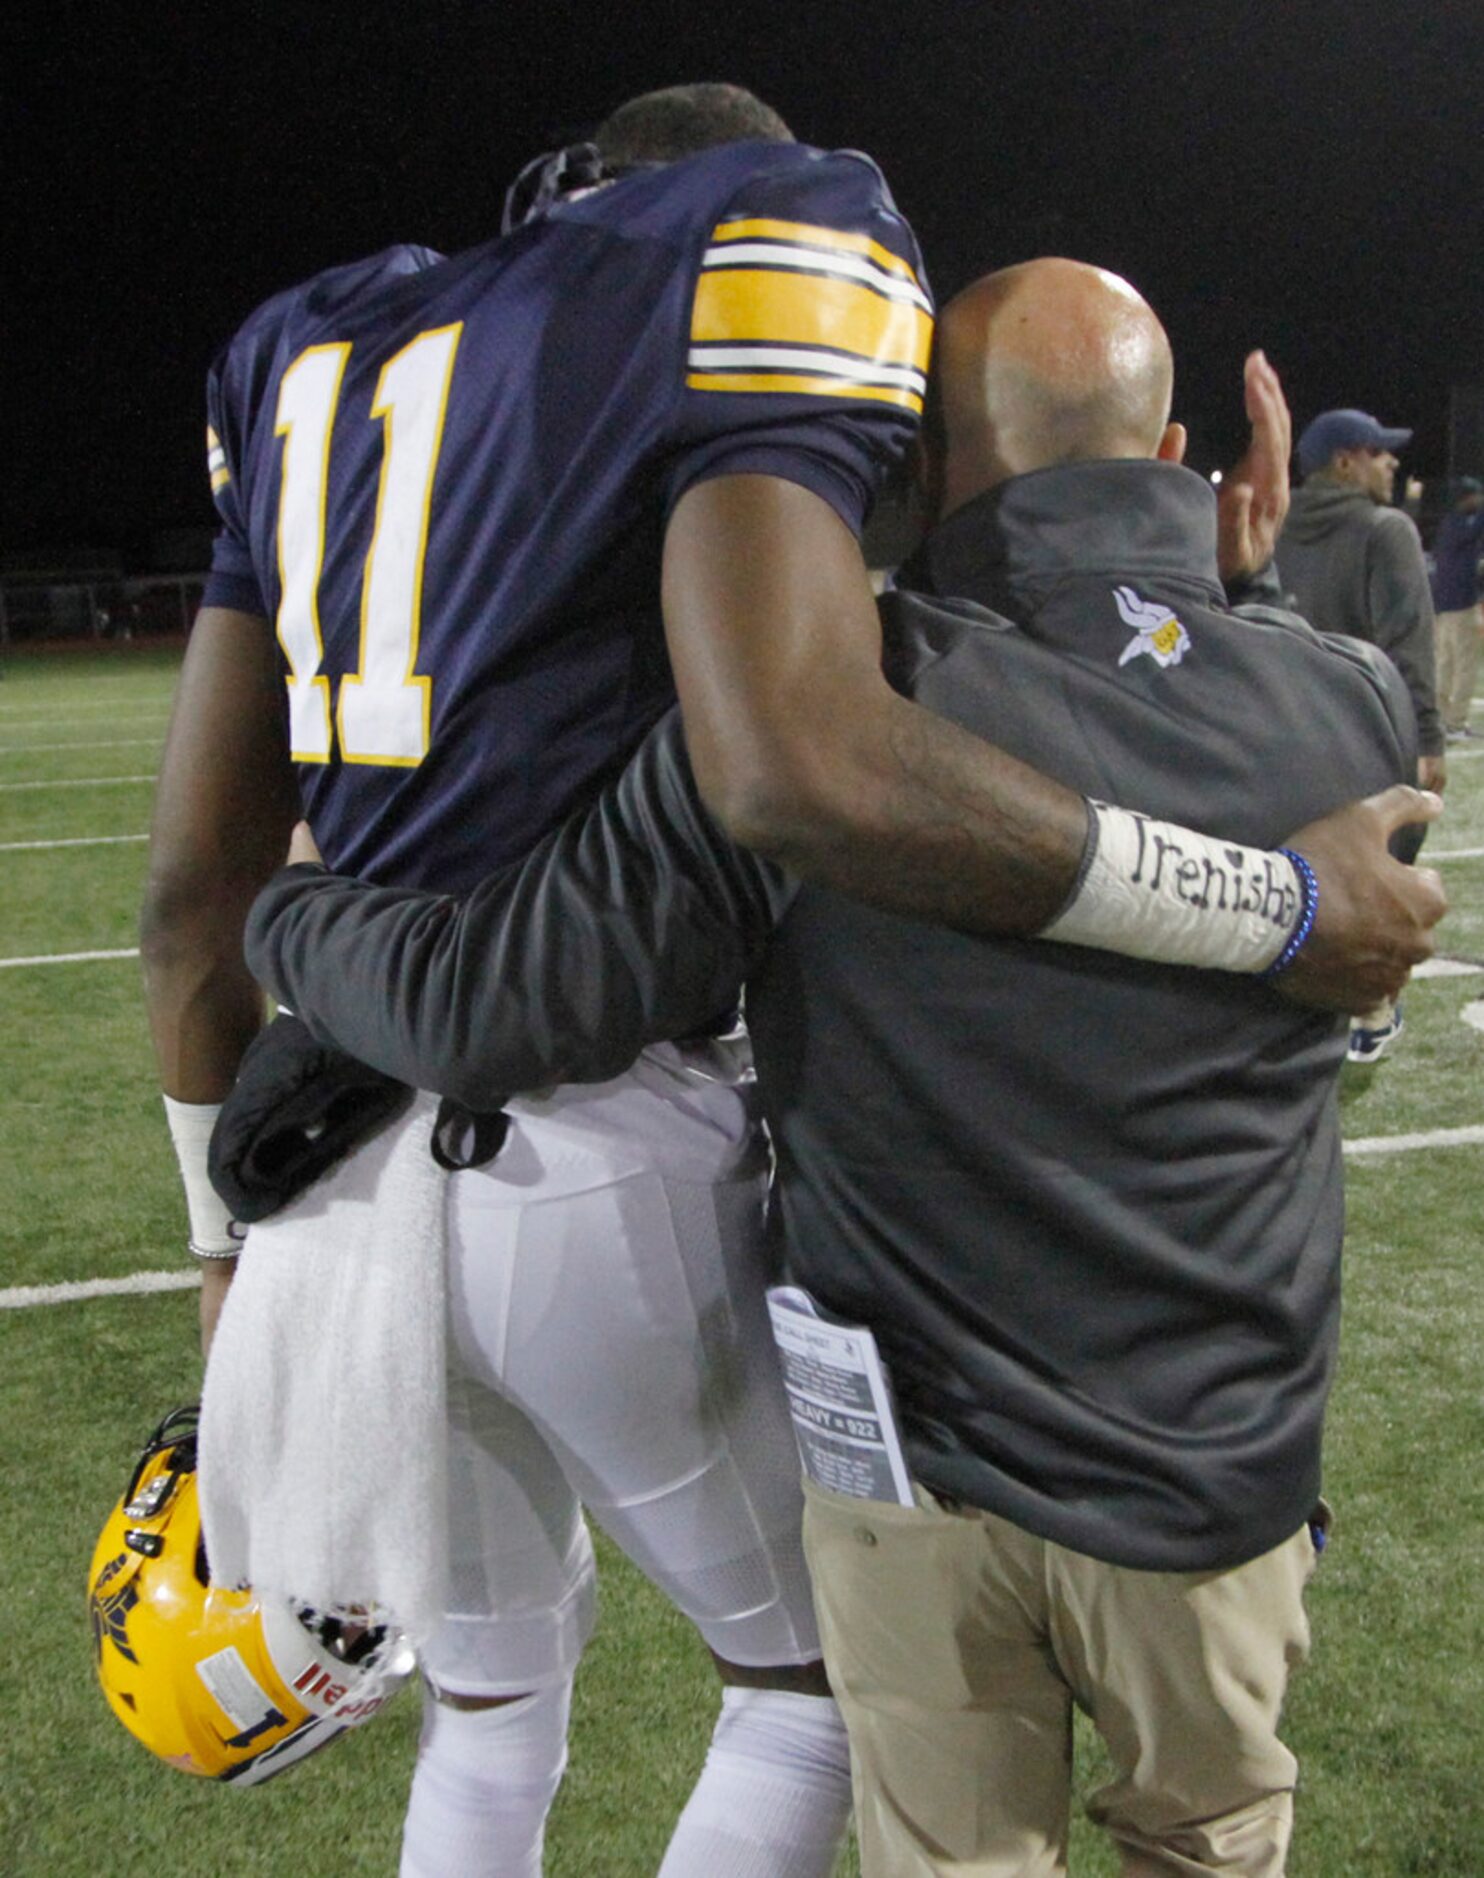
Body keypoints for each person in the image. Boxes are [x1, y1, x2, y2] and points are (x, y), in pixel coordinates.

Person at [141, 79, 1439, 1873]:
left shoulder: (333, 366)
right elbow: (831, 763)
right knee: (904, 1726)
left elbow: (269, 926)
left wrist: (271, 1000)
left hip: (385, 1209)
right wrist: (1266, 847)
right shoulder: (1347, 711)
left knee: (503, 1707)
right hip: (1108, 1430)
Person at [1275, 405, 1444, 1062]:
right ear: (1346, 461)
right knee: (1380, 881)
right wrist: (1427, 740)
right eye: (1379, 452)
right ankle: (1373, 1017)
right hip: (1372, 737)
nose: (1392, 462)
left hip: (1286, 734)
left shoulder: (1277, 522)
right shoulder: (1385, 530)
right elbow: (1407, 643)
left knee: (1307, 882)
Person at [1429, 476, 1484, 739]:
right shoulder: (1462, 525)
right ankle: (1455, 723)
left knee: (1444, 664)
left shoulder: (1448, 524)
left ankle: (1441, 720)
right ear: (1465, 498)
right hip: (1461, 605)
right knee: (1464, 666)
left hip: (1443, 606)